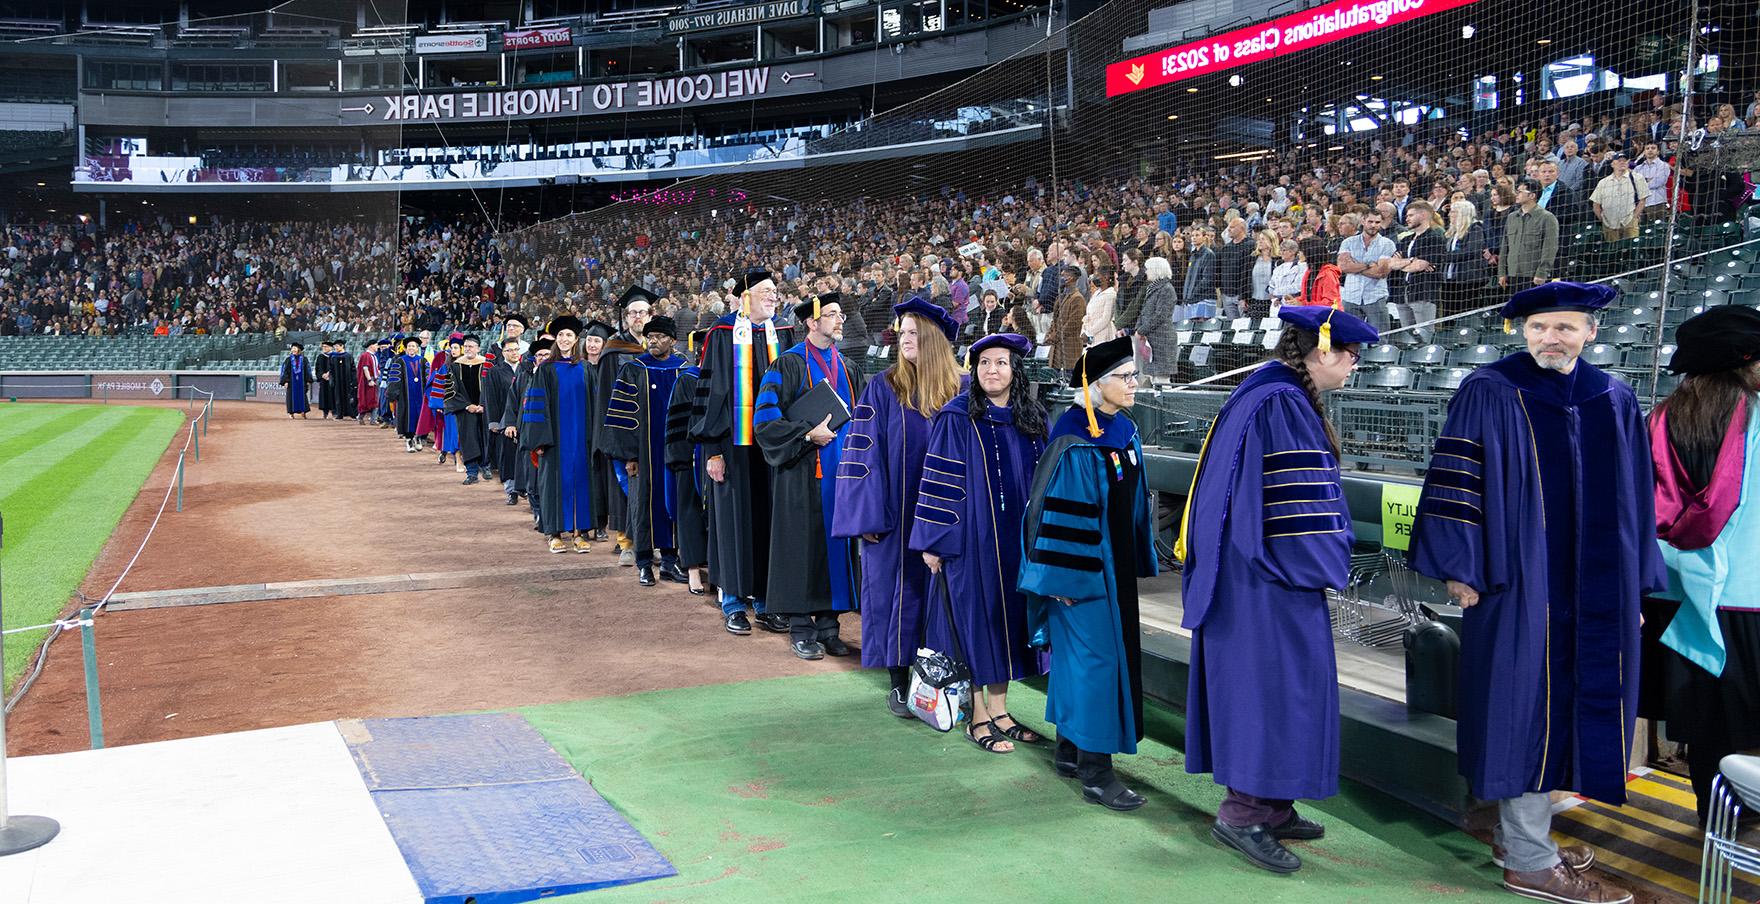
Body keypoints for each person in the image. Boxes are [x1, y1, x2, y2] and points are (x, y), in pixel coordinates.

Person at [1409, 282, 1663, 904]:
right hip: (1518, 584)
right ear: (1521, 331)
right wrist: (1459, 567)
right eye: (1540, 327)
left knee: (1573, 708)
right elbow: (1455, 482)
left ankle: (1521, 830)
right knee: (1523, 708)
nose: (1552, 338)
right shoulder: (1491, 390)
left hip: (1597, 591)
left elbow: (1635, 503)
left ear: (1591, 333)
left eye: (1566, 328)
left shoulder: (1614, 398)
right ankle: (1529, 860)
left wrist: (1632, 587)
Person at [1179, 306, 1376, 874]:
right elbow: (1299, 508)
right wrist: (1327, 561)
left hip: (1250, 573)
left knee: (1283, 689)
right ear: (1323, 351)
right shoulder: (1283, 402)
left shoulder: (1267, 390)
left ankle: (1272, 805)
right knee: (1268, 691)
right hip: (1269, 579)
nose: (1354, 366)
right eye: (1351, 355)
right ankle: (1242, 815)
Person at [1018, 336, 1158, 811]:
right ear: (1096, 386)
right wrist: (1066, 583)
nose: (1134, 383)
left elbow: (1134, 503)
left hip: (1112, 571)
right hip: (1082, 578)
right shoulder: (1077, 438)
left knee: (1085, 664)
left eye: (1133, 375)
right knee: (1095, 667)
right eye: (1125, 377)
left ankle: (1069, 750)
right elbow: (1062, 517)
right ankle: (1097, 774)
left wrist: (1138, 555)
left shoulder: (1122, 429)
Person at [1645, 305, 1760, 823]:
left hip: (1676, 595)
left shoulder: (1660, 417)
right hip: (1748, 599)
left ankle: (1716, 826)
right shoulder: (1756, 418)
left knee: (1708, 729)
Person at [911, 333, 1049, 754]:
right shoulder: (957, 417)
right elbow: (938, 484)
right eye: (985, 362)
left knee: (1007, 622)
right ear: (974, 370)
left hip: (1016, 542)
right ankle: (978, 717)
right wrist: (934, 543)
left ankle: (1002, 710)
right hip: (971, 541)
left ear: (1015, 370)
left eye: (1001, 363)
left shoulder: (1032, 418)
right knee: (975, 622)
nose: (993, 370)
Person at [835, 296, 965, 716]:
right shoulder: (884, 386)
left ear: (933, 340)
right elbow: (861, 455)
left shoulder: (962, 390)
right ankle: (898, 680)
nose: (904, 339)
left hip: (949, 518)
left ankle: (947, 680)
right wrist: (867, 517)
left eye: (913, 333)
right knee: (897, 595)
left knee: (945, 597)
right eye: (902, 333)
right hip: (895, 517)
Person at [755, 294, 863, 659]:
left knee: (836, 548)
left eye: (840, 314)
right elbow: (765, 422)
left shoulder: (849, 367)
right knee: (803, 550)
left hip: (842, 478)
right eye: (832, 314)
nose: (840, 320)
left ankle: (829, 627)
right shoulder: (785, 366)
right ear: (811, 323)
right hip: (801, 471)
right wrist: (806, 434)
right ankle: (802, 627)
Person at [691, 269, 794, 636]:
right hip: (732, 448)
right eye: (766, 291)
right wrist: (712, 451)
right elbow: (710, 394)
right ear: (745, 296)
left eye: (775, 292)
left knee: (769, 521)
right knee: (733, 522)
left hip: (773, 449)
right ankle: (733, 599)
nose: (773, 297)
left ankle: (766, 600)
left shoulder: (781, 333)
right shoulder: (720, 334)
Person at [603, 315, 689, 588]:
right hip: (643, 455)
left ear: (673, 341)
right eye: (649, 337)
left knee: (672, 503)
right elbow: (622, 415)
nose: (653, 341)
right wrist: (629, 455)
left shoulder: (685, 370)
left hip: (676, 453)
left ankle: (669, 561)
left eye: (660, 337)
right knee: (642, 505)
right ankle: (643, 563)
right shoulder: (633, 370)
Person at [522, 316, 598, 555]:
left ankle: (578, 532)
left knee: (582, 482)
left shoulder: (586, 369)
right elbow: (536, 407)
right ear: (556, 339)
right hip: (554, 439)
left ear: (577, 340)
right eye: (561, 335)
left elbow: (595, 405)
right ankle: (554, 534)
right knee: (554, 484)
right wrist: (540, 440)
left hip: (582, 438)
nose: (565, 339)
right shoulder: (545, 370)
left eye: (569, 335)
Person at [595, 288, 656, 564]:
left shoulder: (658, 347)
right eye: (632, 313)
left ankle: (653, 540)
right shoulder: (614, 351)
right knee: (625, 485)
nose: (637, 317)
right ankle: (627, 542)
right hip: (624, 431)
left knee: (653, 485)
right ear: (626, 317)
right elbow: (607, 397)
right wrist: (614, 437)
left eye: (642, 312)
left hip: (653, 430)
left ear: (651, 315)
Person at [666, 330, 712, 597]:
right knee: (690, 511)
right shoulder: (687, 379)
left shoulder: (729, 378)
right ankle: (693, 568)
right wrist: (682, 458)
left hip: (718, 455)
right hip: (690, 456)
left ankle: (715, 569)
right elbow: (678, 423)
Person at [1388, 201, 1446, 344]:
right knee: (1407, 338)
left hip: (1423, 293)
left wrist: (1405, 263)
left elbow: (1420, 265)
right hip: (1402, 293)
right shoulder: (1406, 239)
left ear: (1424, 214)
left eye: (1411, 215)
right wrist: (1412, 260)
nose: (1407, 219)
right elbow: (1392, 263)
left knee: (1424, 336)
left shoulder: (1434, 238)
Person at [444, 336, 492, 485]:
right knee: (468, 439)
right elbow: (451, 391)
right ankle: (471, 472)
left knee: (486, 437)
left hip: (485, 409)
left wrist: (484, 404)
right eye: (466, 346)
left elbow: (492, 388)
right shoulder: (455, 366)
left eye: (471, 346)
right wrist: (467, 405)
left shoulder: (487, 365)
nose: (468, 349)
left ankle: (486, 466)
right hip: (465, 410)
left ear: (478, 348)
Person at [1337, 211, 1395, 331]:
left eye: (1377, 222)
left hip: (1376, 296)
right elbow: (1343, 267)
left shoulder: (1387, 244)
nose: (1373, 225)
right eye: (1370, 221)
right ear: (1363, 221)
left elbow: (1381, 273)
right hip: (1350, 297)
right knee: (1350, 337)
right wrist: (1369, 265)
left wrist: (1354, 266)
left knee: (1380, 338)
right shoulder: (1348, 242)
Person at [1498, 179, 1560, 290]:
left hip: (1534, 276)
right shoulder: (1512, 217)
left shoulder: (1547, 218)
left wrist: (1542, 272)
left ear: (1532, 195)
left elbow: (1550, 248)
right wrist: (1502, 273)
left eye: (1520, 192)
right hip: (1512, 275)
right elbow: (1504, 246)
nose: (1516, 194)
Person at [483, 336, 523, 504]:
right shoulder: (495, 371)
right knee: (507, 456)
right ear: (503, 352)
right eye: (509, 350)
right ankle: (511, 490)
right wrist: (493, 422)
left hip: (524, 420)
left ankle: (524, 487)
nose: (513, 353)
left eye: (515, 349)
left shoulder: (526, 370)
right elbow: (490, 398)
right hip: (504, 421)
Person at [1439, 201, 1489, 317]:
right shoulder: (1451, 233)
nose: (1449, 214)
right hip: (1449, 281)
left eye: (1453, 212)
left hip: (1468, 281)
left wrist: (1444, 257)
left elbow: (1471, 251)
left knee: (1466, 315)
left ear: (1462, 213)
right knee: (1449, 315)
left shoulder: (1475, 229)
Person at [1134, 256, 1179, 383]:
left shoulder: (1167, 289)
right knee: (1152, 378)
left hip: (1162, 339)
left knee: (1161, 379)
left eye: (1148, 269)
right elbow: (1145, 312)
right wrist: (1139, 329)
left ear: (1156, 270)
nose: (1146, 272)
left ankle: (1164, 402)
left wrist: (1142, 330)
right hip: (1152, 338)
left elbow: (1160, 315)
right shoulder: (1152, 287)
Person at [384, 337, 428, 451]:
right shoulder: (400, 361)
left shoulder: (423, 361)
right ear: (406, 348)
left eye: (413, 346)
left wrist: (429, 393)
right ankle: (409, 440)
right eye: (409, 346)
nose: (411, 348)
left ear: (417, 348)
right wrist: (393, 393)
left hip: (420, 394)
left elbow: (428, 377)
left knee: (420, 415)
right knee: (407, 416)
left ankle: (418, 437)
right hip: (405, 395)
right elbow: (394, 379)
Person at [1267, 239, 1307, 309]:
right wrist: (1276, 298)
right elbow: (1271, 287)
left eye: (1284, 250)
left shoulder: (1301, 266)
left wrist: (1277, 292)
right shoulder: (1277, 268)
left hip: (1294, 304)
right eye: (1281, 250)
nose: (1281, 252)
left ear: (1292, 252)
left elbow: (1298, 287)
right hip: (1278, 305)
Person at [279, 341, 313, 419]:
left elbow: (308, 370)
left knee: (302, 396)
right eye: (292, 348)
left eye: (295, 348)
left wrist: (308, 380)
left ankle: (303, 411)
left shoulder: (304, 359)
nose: (293, 349)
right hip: (291, 382)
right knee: (291, 397)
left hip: (301, 382)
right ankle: (291, 413)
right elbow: (284, 371)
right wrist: (286, 381)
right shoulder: (288, 360)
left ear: (299, 349)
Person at [356, 338, 381, 425]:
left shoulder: (373, 356)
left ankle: (373, 420)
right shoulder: (366, 355)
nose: (377, 346)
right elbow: (365, 368)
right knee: (367, 399)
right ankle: (361, 417)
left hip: (374, 379)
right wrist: (369, 380)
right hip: (368, 381)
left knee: (374, 400)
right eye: (376, 345)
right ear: (371, 346)